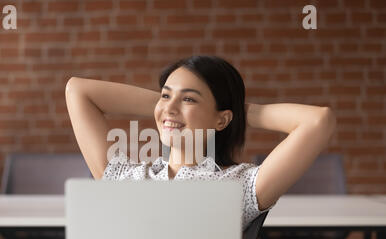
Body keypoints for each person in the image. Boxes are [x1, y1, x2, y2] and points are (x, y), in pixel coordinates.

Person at [65, 55, 336, 230]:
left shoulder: (239, 186)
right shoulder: (124, 177)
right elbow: (77, 90)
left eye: (190, 99)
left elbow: (317, 121)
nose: (170, 107)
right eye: (165, 95)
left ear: (222, 120)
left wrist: (235, 113)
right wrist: (168, 107)